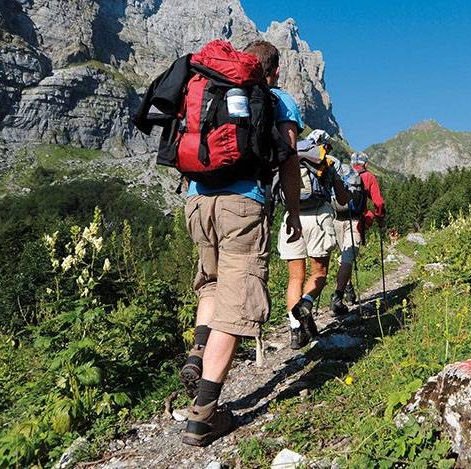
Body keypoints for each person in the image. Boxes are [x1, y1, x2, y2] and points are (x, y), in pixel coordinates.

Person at [180, 40, 303, 447]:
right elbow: (288, 159)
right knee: (237, 305)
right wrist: (294, 213)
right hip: (242, 204)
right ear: (276, 70)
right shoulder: (277, 98)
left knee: (212, 284)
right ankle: (203, 415)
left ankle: (198, 352)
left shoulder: (208, 81)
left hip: (197, 201)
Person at [279, 131, 350, 349]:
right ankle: (306, 304)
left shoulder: (291, 156)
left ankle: (295, 330)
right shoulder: (328, 161)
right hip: (319, 217)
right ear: (325, 145)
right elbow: (342, 198)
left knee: (295, 278)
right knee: (318, 273)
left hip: (292, 215)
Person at [330, 152, 385, 315]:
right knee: (347, 259)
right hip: (354, 221)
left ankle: (349, 290)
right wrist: (379, 218)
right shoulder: (368, 177)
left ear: (352, 163)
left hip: (335, 220)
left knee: (343, 257)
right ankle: (338, 297)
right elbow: (379, 203)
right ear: (365, 164)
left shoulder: (340, 173)